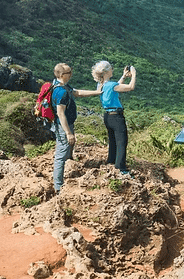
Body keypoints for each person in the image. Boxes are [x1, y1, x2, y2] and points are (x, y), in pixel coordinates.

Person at [50, 62, 101, 193]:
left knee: (67, 150)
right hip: (63, 126)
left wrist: (96, 92)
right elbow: (61, 113)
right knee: (61, 156)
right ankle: (58, 187)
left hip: (66, 124)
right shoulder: (61, 92)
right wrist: (68, 133)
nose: (71, 74)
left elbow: (76, 92)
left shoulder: (61, 85)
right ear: (62, 75)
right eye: (69, 72)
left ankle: (67, 173)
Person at [91, 60, 136, 177]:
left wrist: (124, 76)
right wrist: (134, 74)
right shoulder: (111, 85)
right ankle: (121, 168)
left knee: (113, 141)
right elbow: (130, 87)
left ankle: (111, 162)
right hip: (117, 117)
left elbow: (116, 86)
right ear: (106, 71)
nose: (112, 70)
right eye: (111, 68)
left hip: (108, 116)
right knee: (121, 142)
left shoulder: (101, 85)